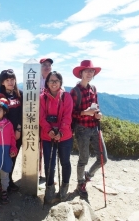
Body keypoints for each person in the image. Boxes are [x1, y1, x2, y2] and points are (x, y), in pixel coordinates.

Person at [70, 60, 108, 198]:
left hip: (94, 127)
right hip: (82, 129)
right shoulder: (74, 92)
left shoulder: (94, 88)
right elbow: (71, 113)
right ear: (81, 73)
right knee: (83, 159)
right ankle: (80, 184)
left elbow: (96, 106)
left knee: (103, 158)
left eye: (91, 71)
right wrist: (84, 113)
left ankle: (87, 175)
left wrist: (98, 114)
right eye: (86, 71)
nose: (89, 73)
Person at [40, 71, 73, 203]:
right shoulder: (42, 98)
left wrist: (61, 132)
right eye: (51, 81)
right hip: (48, 136)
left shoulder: (66, 97)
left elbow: (67, 116)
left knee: (65, 162)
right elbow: (41, 117)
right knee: (49, 164)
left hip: (64, 137)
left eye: (56, 81)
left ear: (60, 82)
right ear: (47, 83)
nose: (54, 83)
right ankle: (50, 189)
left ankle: (64, 187)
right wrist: (48, 130)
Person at [0, 69, 22, 191]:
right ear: (2, 82)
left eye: (12, 79)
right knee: (5, 158)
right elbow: (1, 116)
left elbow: (23, 113)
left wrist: (19, 129)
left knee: (13, 156)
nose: (10, 82)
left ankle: (9, 180)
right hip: (5, 133)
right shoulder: (0, 97)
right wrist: (12, 132)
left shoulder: (20, 94)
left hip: (18, 132)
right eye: (7, 80)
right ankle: (3, 182)